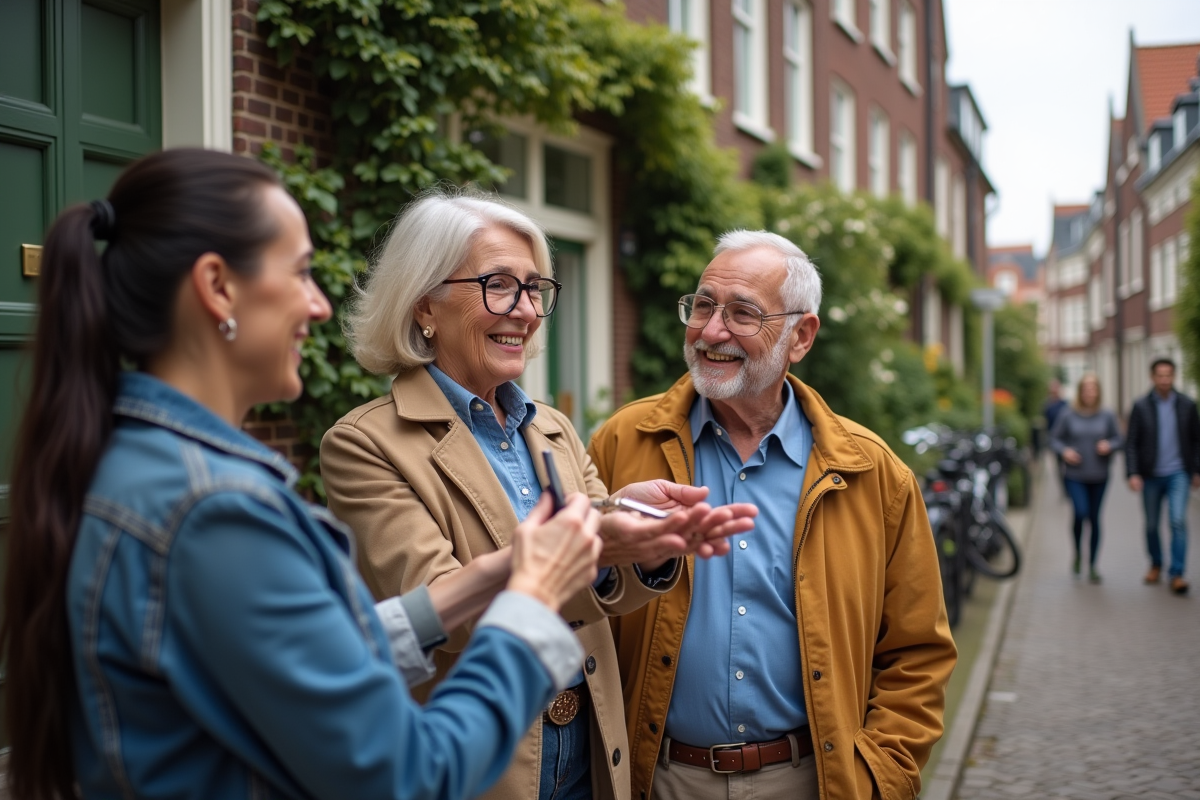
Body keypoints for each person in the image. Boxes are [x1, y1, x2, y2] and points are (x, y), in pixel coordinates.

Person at [1, 149, 609, 800]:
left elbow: (294, 658)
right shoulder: (218, 510)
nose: (319, 306)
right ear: (217, 287)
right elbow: (406, 775)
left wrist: (499, 572)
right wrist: (528, 603)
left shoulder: (133, 461)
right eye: (300, 274)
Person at [320, 190, 756, 800]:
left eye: (534, 289)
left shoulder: (550, 426)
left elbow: (611, 596)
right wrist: (597, 541)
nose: (525, 311)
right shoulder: (366, 444)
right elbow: (439, 615)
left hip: (588, 759)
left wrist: (646, 542)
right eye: (499, 285)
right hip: (480, 765)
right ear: (425, 303)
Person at [588, 231, 957, 800]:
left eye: (742, 314)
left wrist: (883, 773)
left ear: (800, 335)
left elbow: (918, 651)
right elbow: (578, 606)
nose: (712, 331)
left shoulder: (872, 474)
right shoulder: (621, 443)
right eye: (704, 305)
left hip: (810, 781)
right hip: (657, 779)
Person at [1125, 357, 1200, 595]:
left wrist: (1196, 470)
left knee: (1178, 521)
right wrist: (1133, 473)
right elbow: (1131, 443)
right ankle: (1156, 563)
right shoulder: (1141, 406)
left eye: (1169, 375)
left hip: (1179, 473)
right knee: (1151, 525)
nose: (1165, 379)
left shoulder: (1187, 405)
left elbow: (1197, 441)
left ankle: (1177, 573)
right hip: (1150, 476)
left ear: (1174, 377)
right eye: (1161, 375)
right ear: (1153, 377)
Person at [1049, 374, 1122, 582]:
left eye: (1094, 389)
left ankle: (1093, 565)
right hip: (1075, 475)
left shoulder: (1107, 414)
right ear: (1080, 391)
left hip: (1099, 474)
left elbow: (1119, 439)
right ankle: (1077, 553)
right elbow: (1053, 438)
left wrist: (1109, 445)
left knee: (1094, 517)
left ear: (1098, 391)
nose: (1090, 393)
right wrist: (1065, 452)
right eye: (1086, 389)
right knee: (1080, 512)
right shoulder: (1068, 414)